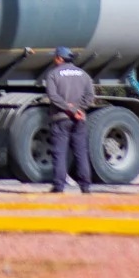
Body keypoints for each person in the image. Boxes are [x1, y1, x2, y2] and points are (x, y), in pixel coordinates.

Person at [43, 47, 94, 193]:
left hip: (61, 118)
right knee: (81, 153)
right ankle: (85, 187)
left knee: (59, 153)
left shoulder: (53, 74)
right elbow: (90, 96)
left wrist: (69, 109)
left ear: (60, 58)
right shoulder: (83, 74)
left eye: (55, 57)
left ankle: (59, 186)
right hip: (80, 119)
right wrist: (79, 109)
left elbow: (53, 96)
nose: (54, 60)